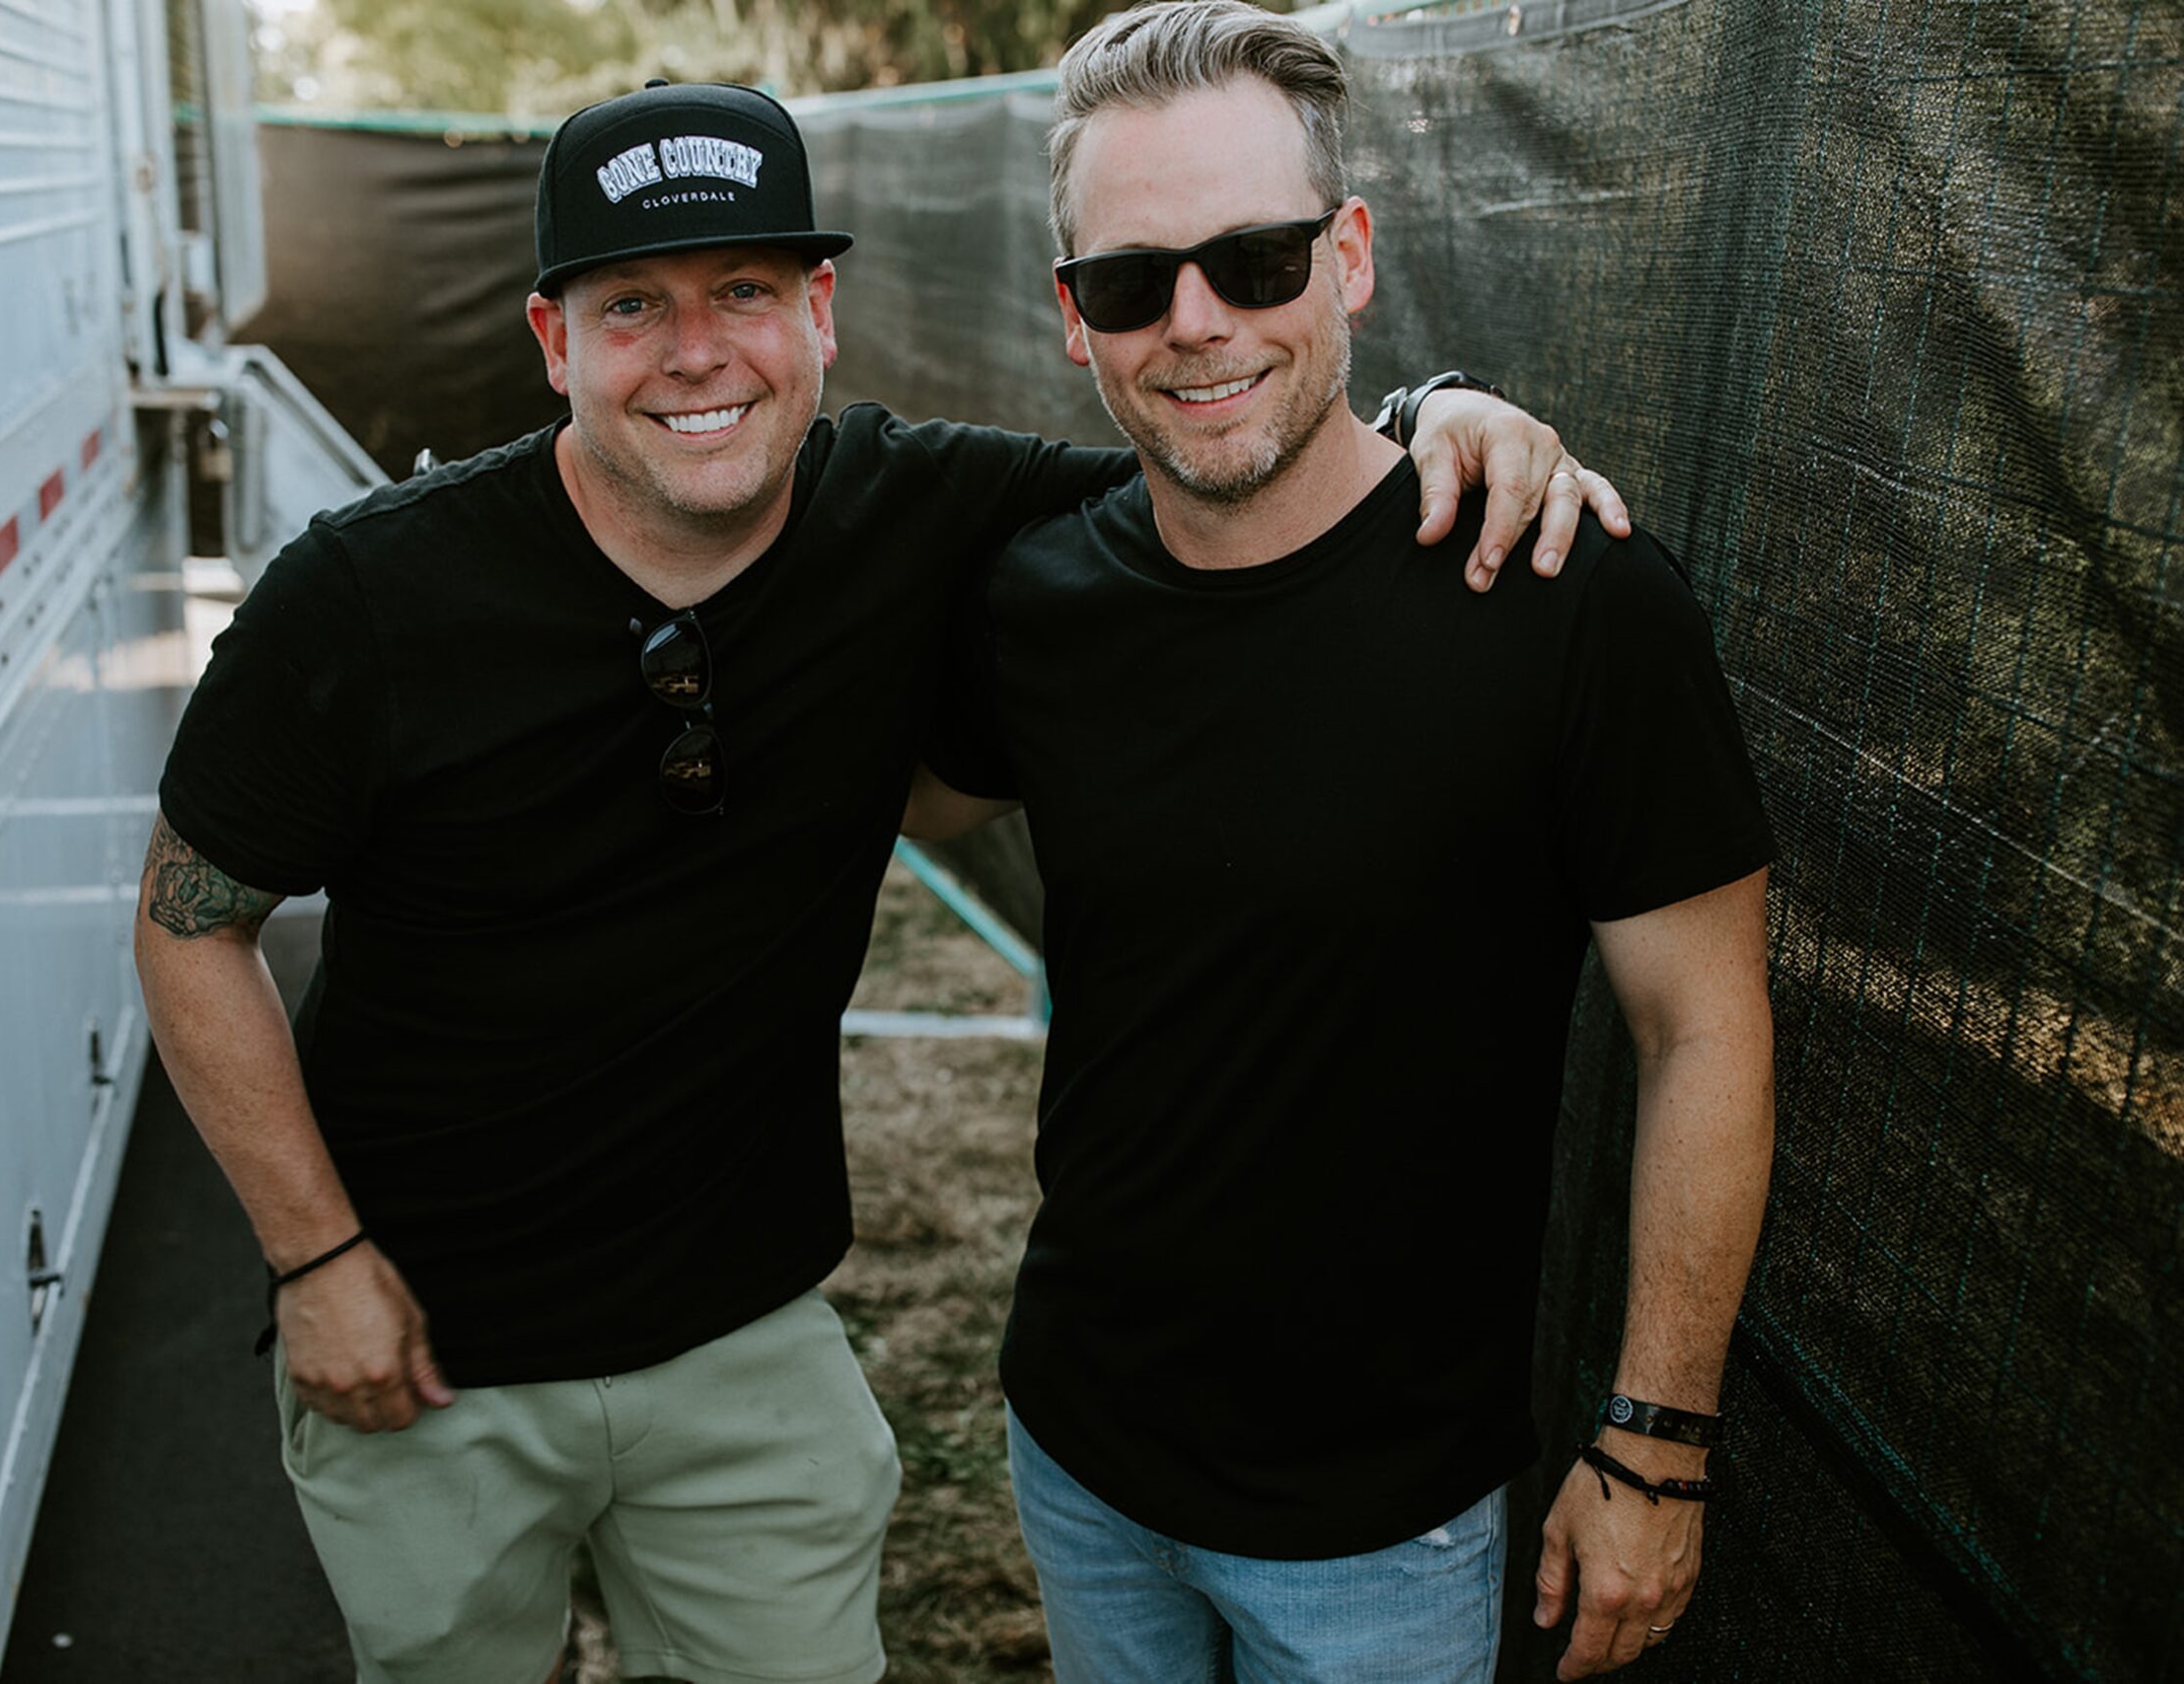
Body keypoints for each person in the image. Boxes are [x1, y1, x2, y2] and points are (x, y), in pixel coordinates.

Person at [133, 75, 1627, 1684]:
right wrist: (316, 1259)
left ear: (821, 313)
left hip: (744, 1344)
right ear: (553, 340)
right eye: (632, 305)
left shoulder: (919, 509)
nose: (698, 351)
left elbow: (1235, 453)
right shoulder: (361, 600)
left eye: (747, 294)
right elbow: (188, 931)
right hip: (423, 1350)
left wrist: (1434, 412)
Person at [907, 6, 1778, 1680]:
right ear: (1068, 313)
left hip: (1385, 1530)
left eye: (1255, 257)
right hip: (1079, 1455)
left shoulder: (1565, 602)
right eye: (1130, 281)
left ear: (1351, 256)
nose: (1197, 322)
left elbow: (1705, 1024)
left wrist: (1656, 1443)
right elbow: (909, 791)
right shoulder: (1037, 603)